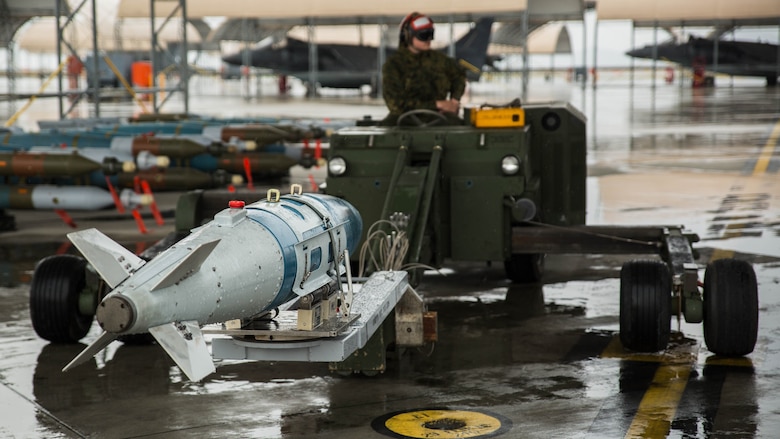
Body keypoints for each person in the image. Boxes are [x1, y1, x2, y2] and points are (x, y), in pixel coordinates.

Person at [380, 12, 466, 126]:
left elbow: (459, 75)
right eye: (423, 35)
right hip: (403, 120)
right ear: (408, 36)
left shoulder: (440, 61)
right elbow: (395, 105)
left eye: (431, 34)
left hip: (439, 118)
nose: (428, 40)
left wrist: (454, 101)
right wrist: (437, 104)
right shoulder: (393, 65)